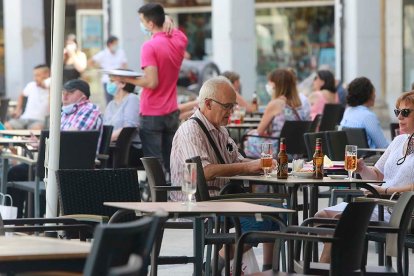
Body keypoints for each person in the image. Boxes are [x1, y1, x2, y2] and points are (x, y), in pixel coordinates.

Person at [170, 76, 278, 272]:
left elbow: (236, 160)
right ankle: (211, 268)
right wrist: (247, 167)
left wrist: (260, 165)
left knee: (279, 213)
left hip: (225, 198)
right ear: (208, 104)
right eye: (227, 106)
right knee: (260, 220)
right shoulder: (189, 130)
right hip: (199, 202)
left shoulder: (221, 130)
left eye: (233, 106)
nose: (231, 111)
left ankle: (268, 269)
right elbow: (203, 171)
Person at [316, 91, 414, 263]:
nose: (400, 116)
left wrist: (383, 190)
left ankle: (326, 268)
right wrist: (362, 168)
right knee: (321, 217)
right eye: (397, 111)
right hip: (380, 204)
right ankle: (337, 266)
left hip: (402, 210)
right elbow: (376, 174)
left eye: (405, 112)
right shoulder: (399, 141)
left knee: (342, 222)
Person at [8, 79, 102, 217]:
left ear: (83, 96)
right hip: (55, 162)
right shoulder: (65, 112)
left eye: (70, 92)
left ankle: (36, 221)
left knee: (35, 172)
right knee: (14, 172)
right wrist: (41, 143)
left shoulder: (89, 109)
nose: (65, 96)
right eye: (63, 92)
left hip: (74, 166)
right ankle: (14, 221)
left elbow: (72, 137)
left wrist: (46, 143)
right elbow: (58, 139)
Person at [118, 3, 187, 175]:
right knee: (171, 162)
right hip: (171, 111)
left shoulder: (149, 46)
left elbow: (151, 82)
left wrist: (123, 78)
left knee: (155, 166)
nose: (141, 25)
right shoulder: (179, 40)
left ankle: (157, 201)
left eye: (141, 21)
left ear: (150, 24)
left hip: (152, 113)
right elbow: (173, 27)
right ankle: (175, 198)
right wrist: (168, 20)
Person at [244, 68, 311, 158]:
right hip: (294, 151)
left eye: (270, 82)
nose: (268, 85)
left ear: (276, 85)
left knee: (246, 138)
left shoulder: (275, 104)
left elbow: (260, 131)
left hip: (277, 150)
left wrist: (252, 132)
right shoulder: (297, 105)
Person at [103, 70, 141, 167]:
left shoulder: (132, 99)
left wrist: (106, 139)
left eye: (112, 81)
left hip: (128, 149)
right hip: (111, 146)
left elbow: (129, 127)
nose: (109, 84)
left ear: (123, 83)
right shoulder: (111, 104)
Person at [340, 77, 389, 148]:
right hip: (369, 158)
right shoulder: (368, 116)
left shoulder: (348, 111)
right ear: (368, 94)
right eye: (373, 91)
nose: (375, 95)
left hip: (352, 156)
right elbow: (383, 146)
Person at [5, 64, 50, 130]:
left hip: (39, 121)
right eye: (34, 75)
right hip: (24, 118)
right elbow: (21, 95)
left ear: (46, 74)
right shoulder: (31, 85)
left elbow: (48, 84)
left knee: (36, 129)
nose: (35, 78)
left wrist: (46, 84)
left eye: (38, 75)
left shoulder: (52, 87)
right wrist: (17, 110)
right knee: (7, 125)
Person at [89, 35, 128, 103]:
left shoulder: (121, 52)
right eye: (115, 44)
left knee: (121, 101)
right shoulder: (103, 53)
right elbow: (90, 62)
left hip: (120, 80)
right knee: (109, 101)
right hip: (107, 80)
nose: (117, 45)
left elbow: (124, 64)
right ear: (110, 44)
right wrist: (99, 68)